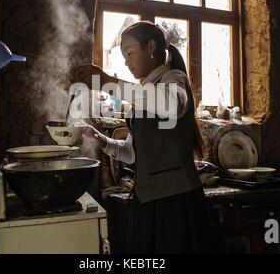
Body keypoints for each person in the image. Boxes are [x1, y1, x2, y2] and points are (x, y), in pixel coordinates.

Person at [74, 21, 212, 254]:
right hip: (146, 199)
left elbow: (169, 104)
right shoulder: (143, 93)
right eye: (124, 57)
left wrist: (108, 82)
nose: (126, 63)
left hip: (176, 201)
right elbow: (132, 153)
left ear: (151, 47)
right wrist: (99, 139)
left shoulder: (173, 79)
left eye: (129, 53)